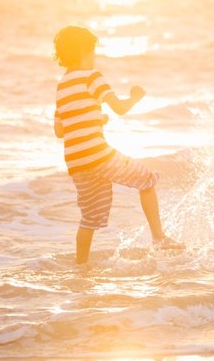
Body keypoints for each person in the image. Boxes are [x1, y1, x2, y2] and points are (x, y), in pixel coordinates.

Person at [53, 25, 181, 264]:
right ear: (83, 51)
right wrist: (134, 97)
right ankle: (159, 237)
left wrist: (96, 118)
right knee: (147, 180)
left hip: (75, 161)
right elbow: (120, 108)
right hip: (97, 154)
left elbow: (60, 130)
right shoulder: (92, 77)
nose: (94, 57)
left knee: (89, 219)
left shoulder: (62, 86)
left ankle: (81, 267)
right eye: (92, 52)